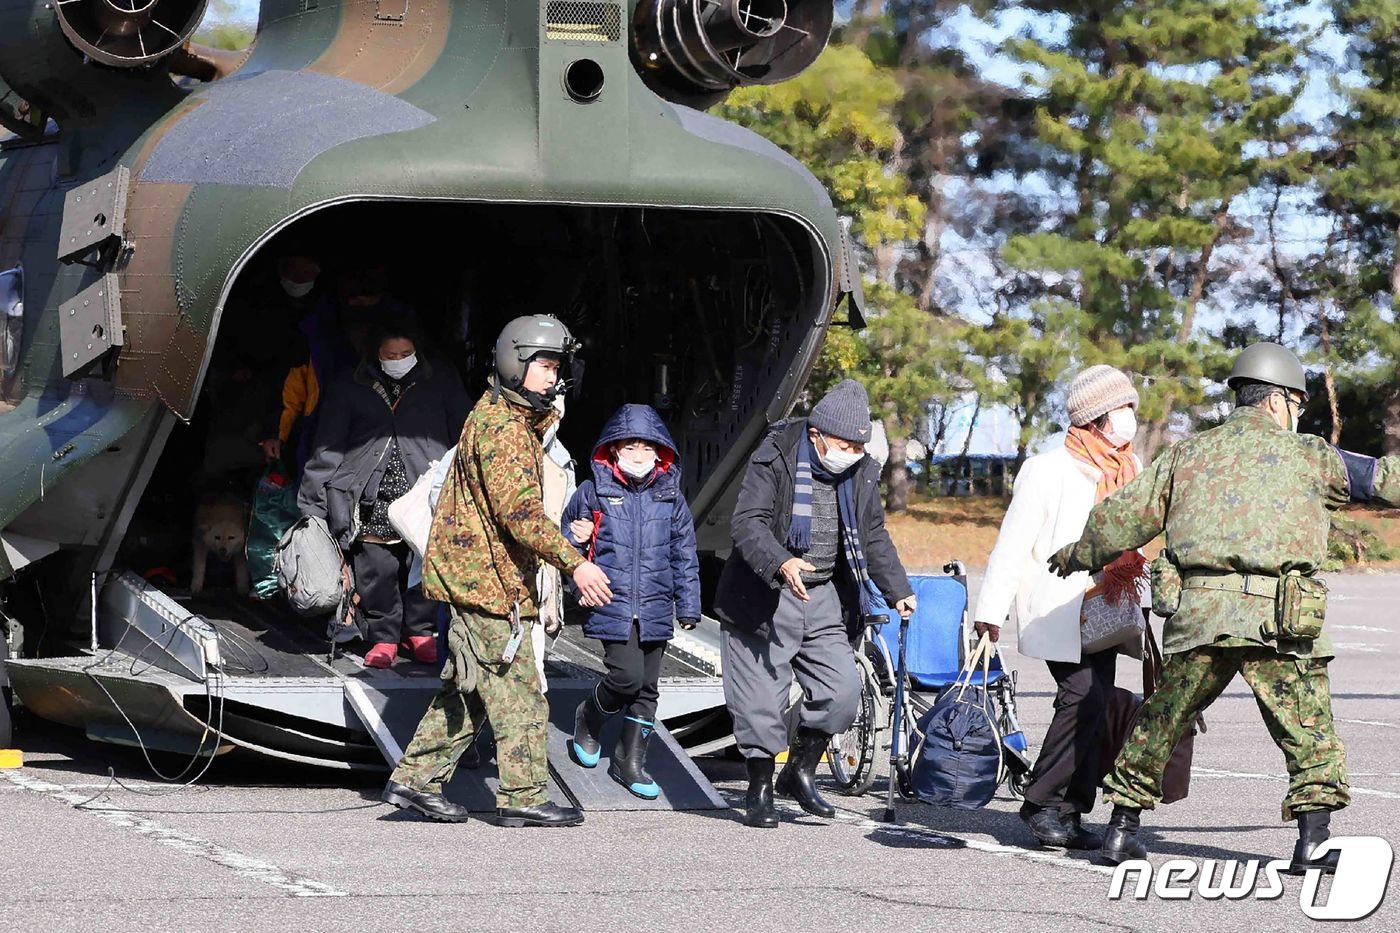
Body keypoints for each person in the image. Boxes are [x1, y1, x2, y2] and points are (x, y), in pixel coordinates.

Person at [1049, 342, 1400, 871]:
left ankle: (1120, 832)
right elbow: (1386, 482)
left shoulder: (1185, 456)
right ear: (1280, 400)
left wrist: (1077, 554)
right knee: (1307, 730)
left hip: (1199, 616)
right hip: (1278, 620)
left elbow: (1120, 519)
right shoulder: (1314, 457)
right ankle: (1313, 842)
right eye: (1298, 406)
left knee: (1161, 721)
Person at [382, 314, 613, 828]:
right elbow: (522, 515)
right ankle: (524, 795)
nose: (553, 377)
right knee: (521, 691)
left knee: (469, 687)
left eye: (557, 367)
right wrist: (577, 566)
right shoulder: (505, 430)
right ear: (516, 364)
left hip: (478, 576)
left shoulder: (498, 415)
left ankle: (414, 780)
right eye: (544, 366)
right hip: (487, 582)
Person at [714, 379, 915, 828]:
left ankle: (799, 771)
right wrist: (782, 561)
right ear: (816, 435)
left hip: (824, 592)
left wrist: (898, 589)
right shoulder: (775, 455)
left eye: (859, 446)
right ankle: (760, 788)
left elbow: (873, 535)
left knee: (843, 692)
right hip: (764, 592)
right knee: (761, 700)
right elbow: (748, 523)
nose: (852, 453)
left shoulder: (861, 471)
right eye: (844, 444)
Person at [973, 364, 1144, 850]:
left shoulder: (1130, 468)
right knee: (1082, 697)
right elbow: (1013, 543)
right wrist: (990, 611)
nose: (1129, 418)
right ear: (1094, 418)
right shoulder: (1046, 469)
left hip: (1108, 607)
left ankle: (1070, 811)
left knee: (1098, 701)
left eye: (1131, 407)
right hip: (1059, 608)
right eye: (1120, 409)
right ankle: (1041, 802)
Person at [298, 322, 468, 668]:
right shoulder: (351, 385)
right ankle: (383, 635)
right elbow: (328, 445)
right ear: (376, 354)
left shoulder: (440, 381)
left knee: (423, 564)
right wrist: (312, 501)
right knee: (376, 569)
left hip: (424, 494)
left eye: (405, 354)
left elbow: (464, 433)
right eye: (390, 355)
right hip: (369, 496)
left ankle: (419, 630)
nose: (398, 360)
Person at [562, 403, 702, 799]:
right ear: (613, 451)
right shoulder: (593, 491)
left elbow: (684, 553)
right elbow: (563, 544)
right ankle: (589, 718)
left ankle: (629, 762)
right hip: (612, 601)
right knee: (626, 677)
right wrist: (575, 536)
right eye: (630, 447)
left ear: (660, 453)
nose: (638, 456)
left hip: (656, 603)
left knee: (648, 688)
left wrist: (688, 605)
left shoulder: (670, 497)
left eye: (646, 448)